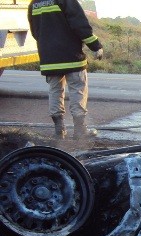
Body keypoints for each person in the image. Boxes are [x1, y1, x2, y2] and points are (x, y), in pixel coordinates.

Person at [27, 0, 103, 140]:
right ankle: (80, 131)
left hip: (49, 58)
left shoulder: (34, 3)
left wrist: (47, 44)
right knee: (77, 89)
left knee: (55, 91)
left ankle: (59, 131)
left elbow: (35, 31)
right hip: (71, 56)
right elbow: (80, 25)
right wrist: (95, 46)